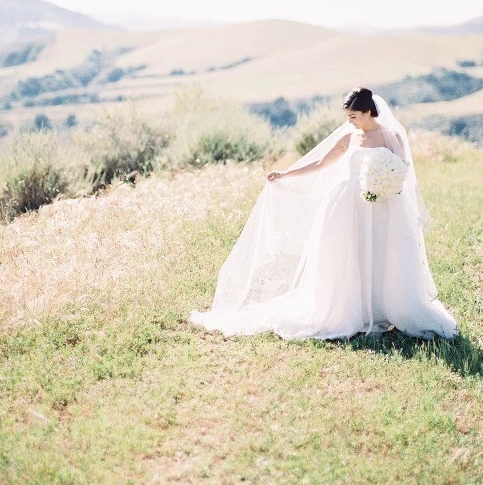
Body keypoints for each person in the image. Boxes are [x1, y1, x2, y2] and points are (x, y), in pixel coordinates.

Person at [189, 87, 458, 341]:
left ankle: (385, 307)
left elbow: (402, 170)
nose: (350, 121)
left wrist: (383, 182)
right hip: (346, 204)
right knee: (346, 253)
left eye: (353, 116)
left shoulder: (391, 137)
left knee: (381, 254)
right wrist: (285, 174)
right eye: (347, 117)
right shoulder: (349, 137)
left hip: (383, 204)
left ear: (368, 112)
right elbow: (319, 162)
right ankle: (350, 308)